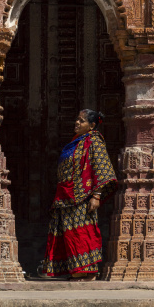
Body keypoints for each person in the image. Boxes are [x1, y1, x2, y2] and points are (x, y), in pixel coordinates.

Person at [40, 109, 117, 280]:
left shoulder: (94, 142)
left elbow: (102, 167)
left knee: (83, 232)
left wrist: (96, 196)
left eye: (81, 121)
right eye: (77, 119)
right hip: (65, 195)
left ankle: (88, 272)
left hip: (82, 197)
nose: (77, 123)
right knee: (68, 234)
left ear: (91, 126)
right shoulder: (76, 142)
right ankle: (76, 271)